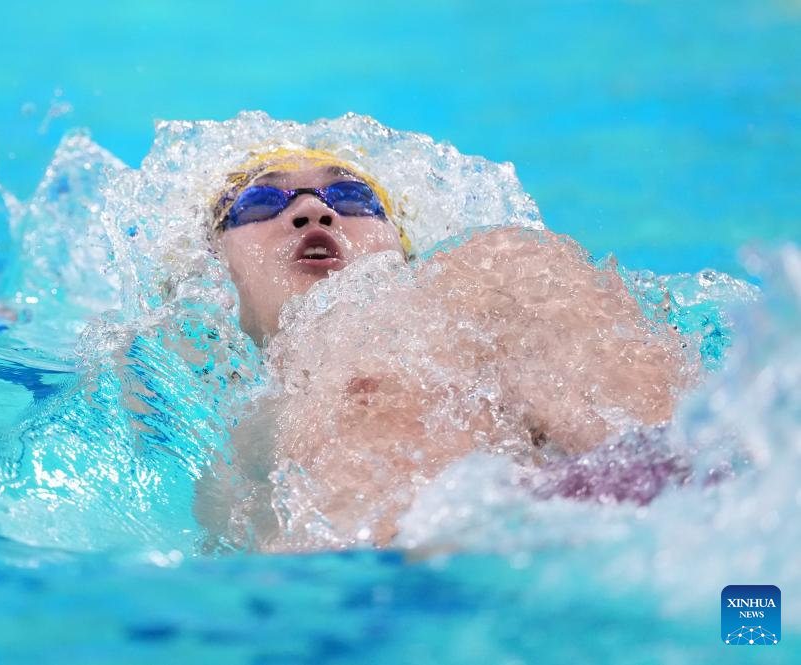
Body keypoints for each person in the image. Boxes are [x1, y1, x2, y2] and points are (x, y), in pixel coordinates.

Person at [198, 147, 692, 551]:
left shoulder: (487, 279)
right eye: (260, 202)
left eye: (352, 198)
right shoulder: (208, 425)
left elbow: (652, 454)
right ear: (213, 270)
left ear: (401, 248)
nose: (313, 211)